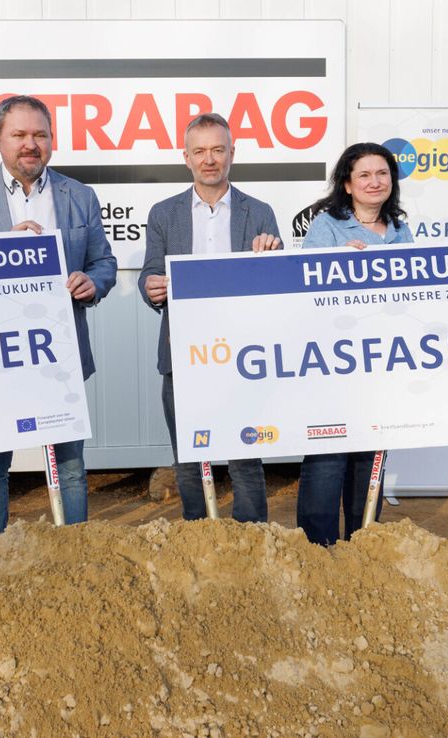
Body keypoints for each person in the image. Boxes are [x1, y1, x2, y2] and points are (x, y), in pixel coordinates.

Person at [0, 95, 117, 534]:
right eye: (18, 135)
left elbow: (104, 262)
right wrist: (1, 248)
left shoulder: (79, 195)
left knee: (71, 466)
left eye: (39, 134)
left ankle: (73, 551)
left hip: (60, 356)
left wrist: (92, 283)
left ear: (52, 140)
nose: (30, 144)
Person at [138, 113, 281, 523]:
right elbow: (151, 271)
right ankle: (197, 539)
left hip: (244, 353)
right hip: (182, 353)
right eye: (200, 151)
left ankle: (252, 539)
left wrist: (272, 253)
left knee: (245, 455)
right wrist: (152, 287)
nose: (210, 159)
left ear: (232, 153)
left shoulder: (260, 212)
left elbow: (278, 286)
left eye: (218, 149)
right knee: (187, 455)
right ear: (186, 157)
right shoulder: (165, 214)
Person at [296, 142, 413, 546]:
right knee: (327, 462)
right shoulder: (326, 227)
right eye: (364, 175)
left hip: (382, 368)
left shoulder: (401, 231)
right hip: (332, 368)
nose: (374, 182)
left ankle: (361, 550)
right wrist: (335, 263)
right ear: (347, 184)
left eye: (382, 174)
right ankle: (316, 553)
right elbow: (300, 289)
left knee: (370, 464)